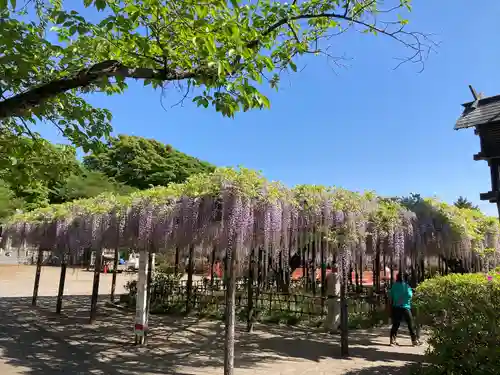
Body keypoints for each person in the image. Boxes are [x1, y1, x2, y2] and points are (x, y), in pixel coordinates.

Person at [389, 272, 420, 346]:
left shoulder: (394, 286)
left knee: (396, 324)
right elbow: (410, 296)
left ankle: (392, 341)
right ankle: (414, 341)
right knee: (410, 324)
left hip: (396, 307)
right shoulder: (407, 286)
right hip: (406, 307)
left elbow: (390, 298)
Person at [324, 263, 341, 333]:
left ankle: (327, 327)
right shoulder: (339, 275)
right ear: (337, 268)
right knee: (337, 314)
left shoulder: (328, 275)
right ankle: (334, 329)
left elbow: (325, 285)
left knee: (330, 314)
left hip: (329, 297)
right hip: (336, 297)